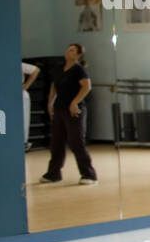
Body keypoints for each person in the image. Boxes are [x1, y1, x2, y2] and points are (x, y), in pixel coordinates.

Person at [38, 43, 97, 185]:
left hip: (74, 111)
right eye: (68, 49)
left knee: (76, 142)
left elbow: (87, 87)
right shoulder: (59, 69)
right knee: (56, 143)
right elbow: (54, 86)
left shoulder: (79, 70)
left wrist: (75, 102)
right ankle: (53, 174)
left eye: (72, 50)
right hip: (60, 109)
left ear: (78, 55)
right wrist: (50, 102)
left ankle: (89, 175)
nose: (68, 52)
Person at [21, 61, 39, 150]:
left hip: (20, 95)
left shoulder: (17, 64)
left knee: (23, 119)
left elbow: (35, 70)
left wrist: (25, 86)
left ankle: (24, 142)